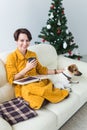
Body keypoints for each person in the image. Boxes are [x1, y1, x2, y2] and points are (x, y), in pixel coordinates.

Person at [5, 28, 69, 109]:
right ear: (16, 41)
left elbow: (42, 70)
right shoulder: (11, 57)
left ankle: (47, 97)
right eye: (21, 40)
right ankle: (48, 97)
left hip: (36, 81)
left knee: (45, 83)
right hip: (23, 86)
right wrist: (26, 69)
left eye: (27, 40)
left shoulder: (32, 54)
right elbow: (12, 78)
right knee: (28, 91)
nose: (25, 43)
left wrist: (59, 71)